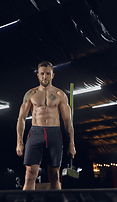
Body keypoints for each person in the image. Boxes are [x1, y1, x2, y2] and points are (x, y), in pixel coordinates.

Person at [16, 61, 76, 190]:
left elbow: (67, 121)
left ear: (52, 75)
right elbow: (21, 119)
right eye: (42, 74)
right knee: (29, 175)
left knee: (54, 175)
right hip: (35, 132)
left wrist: (71, 143)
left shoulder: (60, 95)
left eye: (47, 74)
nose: (45, 77)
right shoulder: (30, 94)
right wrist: (19, 142)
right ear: (38, 75)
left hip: (54, 133)